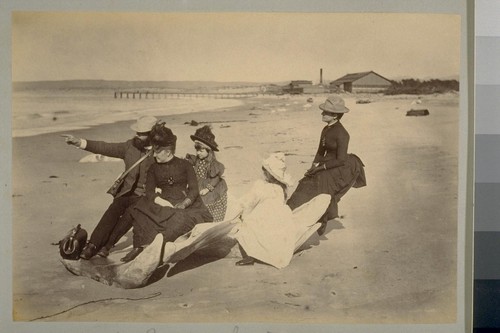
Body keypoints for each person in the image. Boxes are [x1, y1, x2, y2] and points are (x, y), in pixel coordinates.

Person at [62, 115, 158, 259]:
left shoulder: (160, 151)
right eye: (137, 132)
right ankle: (92, 245)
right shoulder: (129, 146)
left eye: (142, 133)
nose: (137, 136)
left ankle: (107, 246)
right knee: (111, 212)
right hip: (126, 192)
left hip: (144, 196)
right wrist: (80, 142)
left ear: (152, 133)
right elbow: (105, 147)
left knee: (129, 216)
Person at [121, 123, 213, 262]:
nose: (154, 154)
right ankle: (138, 247)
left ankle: (159, 245)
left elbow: (194, 190)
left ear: (168, 152)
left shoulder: (185, 165)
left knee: (180, 219)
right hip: (164, 202)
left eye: (157, 152)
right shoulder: (153, 168)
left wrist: (184, 204)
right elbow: (150, 192)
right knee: (138, 209)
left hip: (185, 204)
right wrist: (162, 202)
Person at [233, 153, 331, 269]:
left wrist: (241, 213)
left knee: (248, 227)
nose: (263, 173)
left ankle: (251, 255)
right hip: (279, 217)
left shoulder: (262, 186)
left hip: (263, 216)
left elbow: (250, 202)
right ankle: (264, 250)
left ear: (269, 174)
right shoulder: (281, 189)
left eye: (264, 171)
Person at [286, 95, 366, 236]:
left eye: (326, 112)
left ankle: (318, 221)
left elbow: (341, 160)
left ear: (335, 115)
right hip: (324, 164)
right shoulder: (326, 129)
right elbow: (320, 151)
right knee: (305, 183)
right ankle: (288, 214)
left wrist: (321, 168)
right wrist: (313, 166)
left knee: (321, 189)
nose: (322, 113)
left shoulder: (342, 134)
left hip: (337, 168)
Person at [185, 125, 228, 222]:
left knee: (210, 204)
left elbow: (215, 179)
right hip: (199, 184)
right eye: (197, 150)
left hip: (211, 187)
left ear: (208, 150)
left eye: (201, 150)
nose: (198, 153)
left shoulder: (213, 164)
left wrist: (207, 189)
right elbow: (191, 162)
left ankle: (212, 221)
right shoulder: (197, 159)